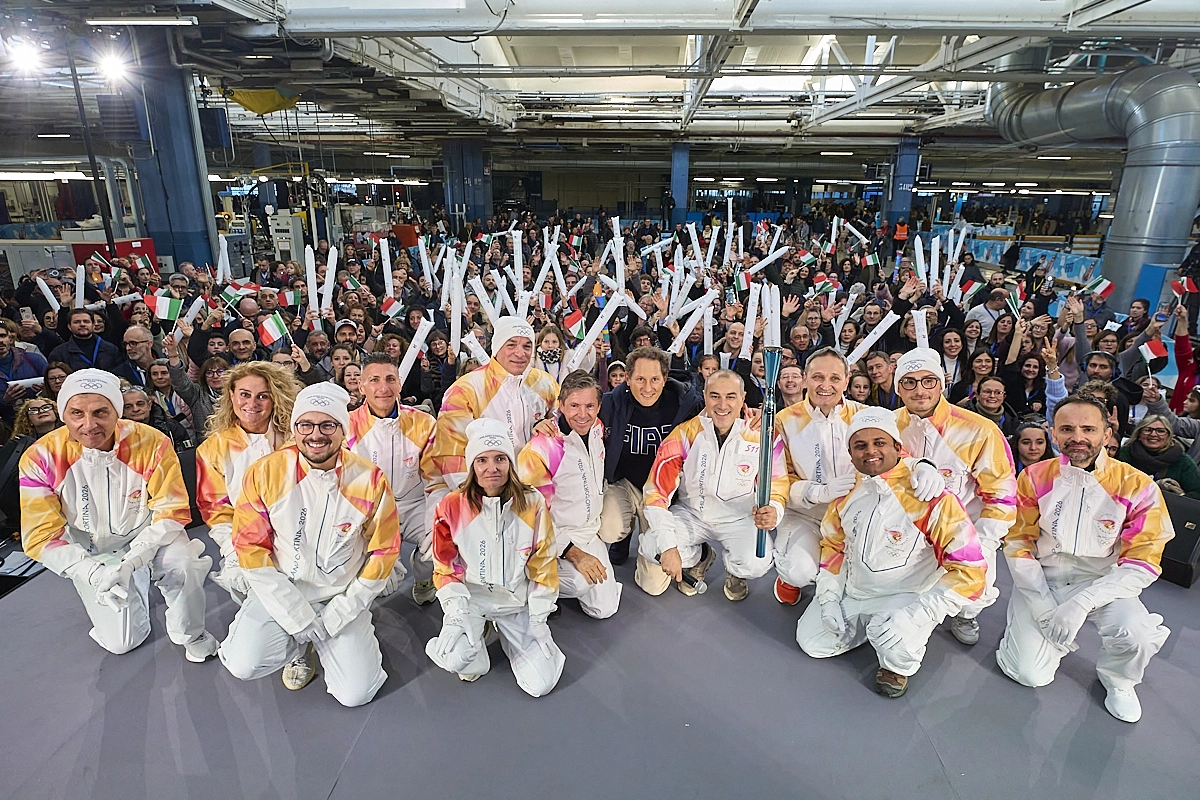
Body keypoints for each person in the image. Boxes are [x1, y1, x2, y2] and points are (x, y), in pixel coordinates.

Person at [220, 382, 400, 707]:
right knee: (242, 664)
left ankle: (336, 639)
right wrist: (296, 617)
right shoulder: (265, 473)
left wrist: (343, 611)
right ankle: (297, 648)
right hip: (283, 589)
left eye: (328, 425)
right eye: (305, 424)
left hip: (339, 594)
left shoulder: (369, 479)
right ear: (295, 428)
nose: (316, 435)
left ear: (343, 430)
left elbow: (384, 552)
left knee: (356, 694)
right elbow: (250, 549)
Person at [996, 395, 1174, 722]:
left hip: (1102, 582)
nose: (1077, 437)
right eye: (1067, 429)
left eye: (1088, 429)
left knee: (1137, 634)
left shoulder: (1137, 486)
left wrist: (1083, 602)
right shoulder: (1034, 477)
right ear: (1053, 433)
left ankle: (1119, 680)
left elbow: (1143, 562)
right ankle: (1022, 634)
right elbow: (1018, 543)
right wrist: (1044, 609)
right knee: (1028, 674)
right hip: (1044, 581)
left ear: (1106, 434)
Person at [19, 369, 217, 660]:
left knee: (182, 563)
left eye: (101, 412)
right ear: (63, 414)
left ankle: (192, 633)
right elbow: (41, 536)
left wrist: (134, 559)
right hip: (91, 551)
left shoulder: (151, 442)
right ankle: (128, 585)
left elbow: (171, 510)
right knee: (122, 643)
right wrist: (92, 573)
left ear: (117, 411)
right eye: (77, 413)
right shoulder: (41, 457)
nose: (89, 425)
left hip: (149, 536)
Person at [797, 407, 986, 698]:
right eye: (860, 445)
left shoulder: (929, 496)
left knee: (895, 645)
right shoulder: (848, 492)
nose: (870, 451)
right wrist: (830, 598)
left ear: (898, 447)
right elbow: (833, 547)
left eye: (879, 443)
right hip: (856, 591)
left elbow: (971, 572)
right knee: (812, 642)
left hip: (905, 597)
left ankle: (897, 660)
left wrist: (917, 615)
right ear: (851, 454)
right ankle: (868, 624)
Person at [426, 417, 563, 697]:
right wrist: (456, 613)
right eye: (482, 460)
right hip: (472, 601)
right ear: (472, 466)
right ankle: (479, 630)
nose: (492, 468)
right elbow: (445, 568)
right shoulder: (450, 507)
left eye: (500, 458)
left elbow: (544, 564)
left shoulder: (533, 502)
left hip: (515, 602)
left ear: (510, 463)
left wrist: (538, 618)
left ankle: (508, 633)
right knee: (459, 661)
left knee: (541, 683)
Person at [893, 348, 1017, 646]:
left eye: (928, 381)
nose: (919, 390)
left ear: (941, 383)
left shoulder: (979, 430)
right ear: (898, 388)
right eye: (909, 382)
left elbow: (1001, 495)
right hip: (906, 527)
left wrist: (983, 543)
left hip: (963, 532)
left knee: (977, 591)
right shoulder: (888, 426)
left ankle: (965, 615)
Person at [638, 369, 788, 601]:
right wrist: (668, 547)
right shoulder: (684, 434)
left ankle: (735, 570)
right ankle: (700, 557)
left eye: (730, 396)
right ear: (705, 396)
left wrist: (774, 510)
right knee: (651, 546)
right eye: (715, 396)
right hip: (692, 514)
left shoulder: (762, 435)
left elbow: (777, 482)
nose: (722, 405)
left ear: (742, 398)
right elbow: (656, 492)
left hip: (739, 517)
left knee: (756, 562)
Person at [423, 316, 560, 529]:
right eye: (511, 345)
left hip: (531, 487)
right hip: (477, 490)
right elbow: (451, 455)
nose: (520, 353)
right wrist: (484, 501)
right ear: (497, 347)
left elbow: (562, 426)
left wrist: (545, 428)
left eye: (527, 346)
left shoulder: (544, 383)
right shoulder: (466, 390)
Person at [518, 370, 621, 619]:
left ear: (599, 406)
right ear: (561, 405)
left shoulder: (597, 429)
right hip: (551, 538)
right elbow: (529, 516)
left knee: (604, 609)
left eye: (590, 406)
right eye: (574, 406)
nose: (582, 414)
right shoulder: (542, 448)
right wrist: (573, 552)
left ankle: (558, 578)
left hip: (588, 532)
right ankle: (524, 584)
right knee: (579, 582)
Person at [596, 346, 703, 581]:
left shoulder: (686, 405)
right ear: (627, 378)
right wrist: (548, 425)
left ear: (665, 378)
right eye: (640, 379)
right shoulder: (610, 403)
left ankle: (702, 553)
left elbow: (722, 414)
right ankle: (625, 532)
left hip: (663, 494)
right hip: (625, 483)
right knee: (609, 528)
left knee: (653, 586)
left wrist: (751, 419)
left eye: (654, 379)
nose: (647, 388)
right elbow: (576, 414)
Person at [195, 362, 297, 605]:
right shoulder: (212, 450)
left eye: (263, 396)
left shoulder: (296, 438)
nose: (252, 404)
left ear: (275, 398)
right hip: (245, 544)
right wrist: (233, 553)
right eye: (245, 394)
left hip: (297, 537)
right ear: (231, 395)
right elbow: (216, 511)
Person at [771, 349, 863, 604]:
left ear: (846, 381)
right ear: (805, 379)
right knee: (799, 570)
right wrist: (817, 492)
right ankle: (789, 577)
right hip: (804, 513)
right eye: (818, 377)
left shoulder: (864, 417)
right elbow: (778, 478)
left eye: (835, 378)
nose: (825, 385)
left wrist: (922, 465)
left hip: (852, 514)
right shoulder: (783, 421)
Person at [346, 353, 438, 605]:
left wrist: (436, 519)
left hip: (413, 505)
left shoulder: (424, 423)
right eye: (374, 380)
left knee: (443, 540)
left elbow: (436, 478)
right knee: (381, 584)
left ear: (399, 383)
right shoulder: (346, 426)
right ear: (361, 386)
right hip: (370, 513)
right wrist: (378, 546)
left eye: (390, 379)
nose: (383, 388)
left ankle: (424, 579)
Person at [1118, 414, 1200, 500]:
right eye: (1147, 430)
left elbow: (1197, 493)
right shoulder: (1125, 454)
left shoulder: (1183, 461)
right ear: (1139, 434)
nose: (1153, 434)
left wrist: (1177, 498)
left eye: (1160, 431)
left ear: (1169, 435)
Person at [47, 308, 122, 372]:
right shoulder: (59, 353)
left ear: (93, 325)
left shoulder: (111, 349)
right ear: (69, 327)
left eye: (86, 321)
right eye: (77, 322)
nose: (82, 324)